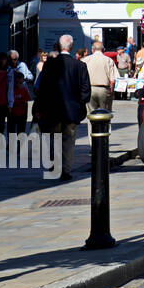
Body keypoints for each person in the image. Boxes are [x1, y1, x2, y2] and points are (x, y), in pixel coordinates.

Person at [34, 35, 90, 181]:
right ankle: (65, 169)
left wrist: (39, 108)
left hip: (52, 110)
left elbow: (42, 89)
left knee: (53, 139)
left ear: (59, 46)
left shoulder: (50, 64)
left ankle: (54, 165)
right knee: (68, 142)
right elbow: (86, 91)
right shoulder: (80, 65)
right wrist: (79, 104)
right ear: (71, 47)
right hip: (71, 111)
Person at [84, 41, 118, 112]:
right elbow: (113, 80)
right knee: (105, 113)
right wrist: (111, 92)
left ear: (92, 50)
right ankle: (105, 123)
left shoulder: (86, 60)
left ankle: (91, 123)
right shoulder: (108, 60)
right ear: (103, 50)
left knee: (91, 113)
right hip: (104, 90)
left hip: (90, 89)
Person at [9, 71, 31, 136]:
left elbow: (27, 101)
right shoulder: (11, 90)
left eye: (21, 83)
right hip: (13, 115)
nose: (19, 84)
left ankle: (20, 145)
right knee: (11, 132)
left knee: (21, 132)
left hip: (22, 115)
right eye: (17, 82)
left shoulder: (24, 90)